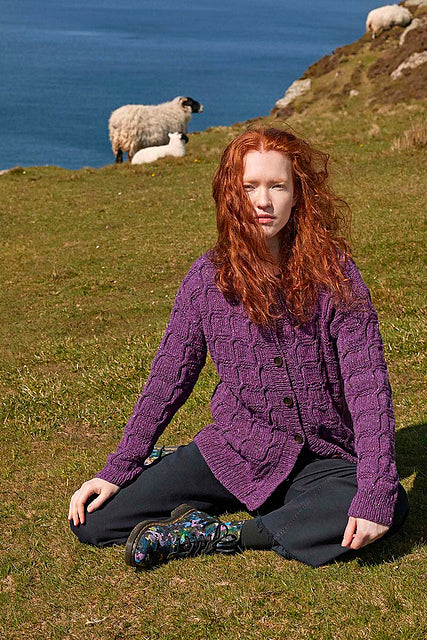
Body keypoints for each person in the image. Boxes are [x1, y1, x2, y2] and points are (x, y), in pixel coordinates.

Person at [68, 127, 409, 569]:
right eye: (250, 187)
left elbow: (368, 386)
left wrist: (376, 488)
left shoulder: (336, 276)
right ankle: (164, 464)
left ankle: (217, 533)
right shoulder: (206, 279)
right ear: (232, 193)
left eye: (277, 186)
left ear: (298, 194)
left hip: (321, 457)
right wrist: (120, 466)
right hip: (235, 447)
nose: (263, 201)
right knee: (95, 522)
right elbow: (169, 378)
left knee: (386, 505)